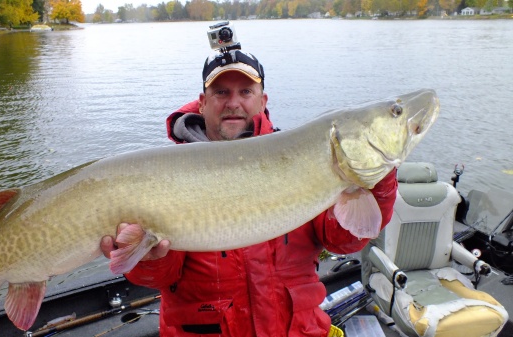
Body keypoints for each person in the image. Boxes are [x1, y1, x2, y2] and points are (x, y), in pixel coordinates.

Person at [100, 47, 398, 337]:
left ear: (262, 100)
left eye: (245, 91)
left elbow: (344, 239)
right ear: (202, 103)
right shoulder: (166, 174)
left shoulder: (306, 159)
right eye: (221, 92)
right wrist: (149, 259)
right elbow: (162, 277)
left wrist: (376, 174)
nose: (233, 102)